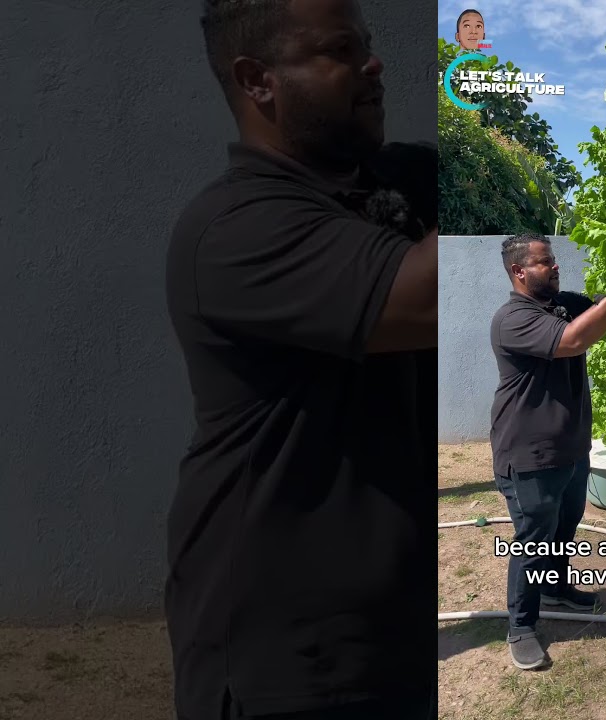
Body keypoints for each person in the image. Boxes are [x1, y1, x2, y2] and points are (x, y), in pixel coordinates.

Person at [165, 1, 436, 719]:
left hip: (388, 638)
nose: (374, 64)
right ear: (258, 81)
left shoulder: (391, 187)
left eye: (369, 45)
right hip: (285, 662)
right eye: (340, 50)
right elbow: (438, 296)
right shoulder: (234, 229)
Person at [488, 234, 606, 670]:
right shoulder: (512, 318)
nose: (555, 267)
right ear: (519, 272)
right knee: (532, 542)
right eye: (544, 263)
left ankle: (556, 588)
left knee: (565, 525)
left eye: (554, 260)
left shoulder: (564, 303)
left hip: (573, 448)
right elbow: (575, 341)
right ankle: (521, 626)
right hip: (529, 455)